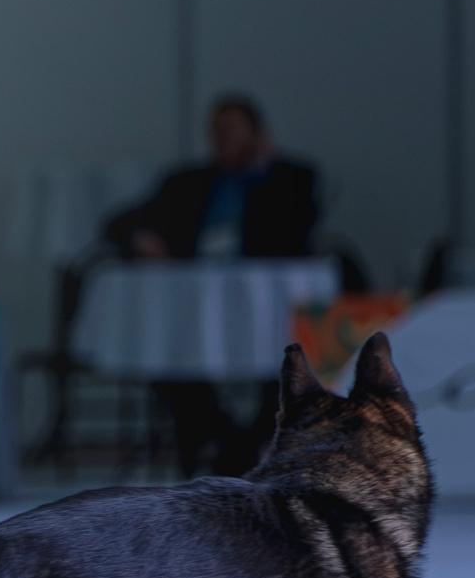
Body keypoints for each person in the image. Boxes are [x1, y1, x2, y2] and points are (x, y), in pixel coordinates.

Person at [102, 93, 323, 477]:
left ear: (257, 134)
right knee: (165, 356)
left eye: (236, 132)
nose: (226, 141)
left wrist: (261, 172)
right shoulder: (188, 183)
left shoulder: (292, 178)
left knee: (291, 361)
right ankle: (229, 442)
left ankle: (253, 438)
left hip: (265, 300)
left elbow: (294, 234)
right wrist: (142, 238)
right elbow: (117, 222)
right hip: (196, 300)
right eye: (219, 133)